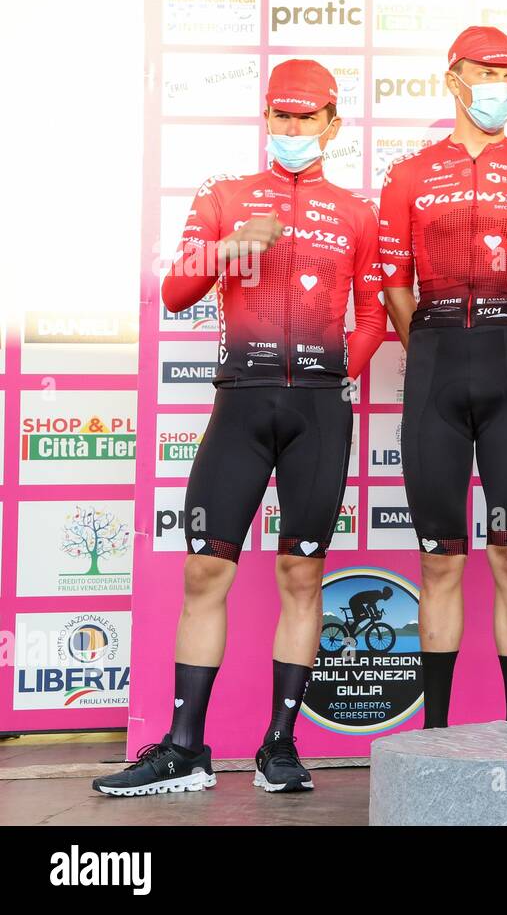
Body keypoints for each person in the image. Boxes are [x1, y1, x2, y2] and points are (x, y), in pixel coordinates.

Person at [93, 59, 387, 797]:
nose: (291, 130)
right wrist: (230, 248)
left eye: (305, 117)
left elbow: (377, 314)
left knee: (302, 573)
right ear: (267, 120)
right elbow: (176, 289)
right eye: (279, 117)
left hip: (318, 411)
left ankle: (280, 747)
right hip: (241, 404)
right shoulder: (225, 197)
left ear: (332, 124)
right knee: (205, 571)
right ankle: (186, 747)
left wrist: (331, 373)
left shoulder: (356, 212)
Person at [379, 26, 507, 729]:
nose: (501, 85)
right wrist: (436, 345)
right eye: (487, 72)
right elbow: (395, 288)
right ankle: (434, 735)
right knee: (440, 561)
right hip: (434, 373)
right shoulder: (407, 174)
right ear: (453, 78)